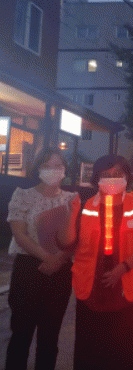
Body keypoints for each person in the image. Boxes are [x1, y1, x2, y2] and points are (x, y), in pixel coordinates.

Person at [59, 154, 133, 370]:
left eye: (118, 174)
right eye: (106, 175)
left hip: (127, 294)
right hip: (91, 294)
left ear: (127, 177)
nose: (112, 179)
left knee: (126, 357)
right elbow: (67, 244)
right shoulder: (84, 206)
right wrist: (71, 212)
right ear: (97, 179)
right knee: (91, 357)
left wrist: (122, 268)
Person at [5, 147, 76, 370]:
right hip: (28, 269)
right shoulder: (23, 195)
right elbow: (20, 235)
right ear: (38, 168)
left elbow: (74, 237)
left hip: (60, 272)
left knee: (49, 337)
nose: (53, 170)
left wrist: (59, 260)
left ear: (65, 170)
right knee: (21, 334)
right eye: (47, 165)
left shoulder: (71, 199)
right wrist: (48, 258)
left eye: (58, 165)